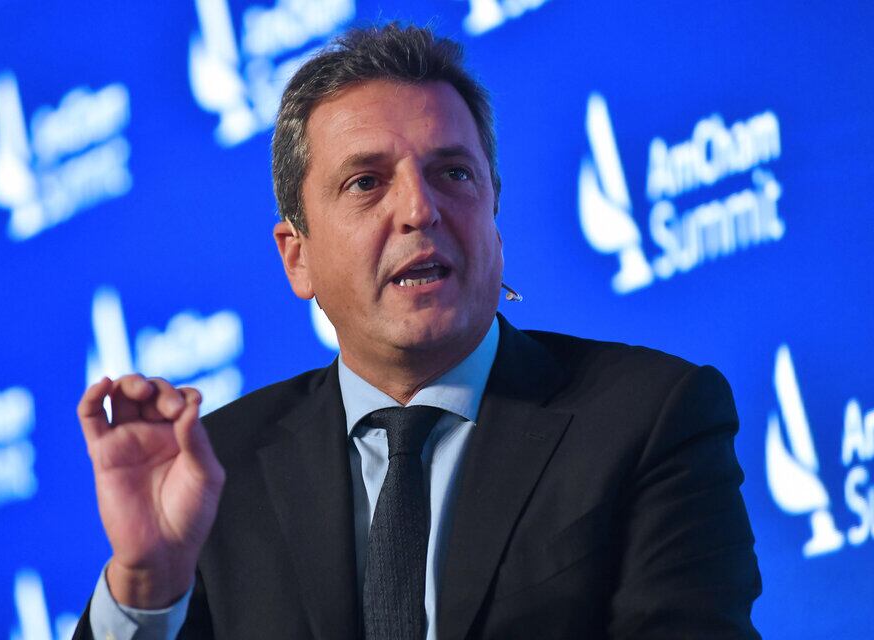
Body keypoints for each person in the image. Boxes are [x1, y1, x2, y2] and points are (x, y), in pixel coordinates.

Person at [74, 24, 761, 639]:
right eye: (366, 182)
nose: (419, 209)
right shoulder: (220, 474)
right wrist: (146, 587)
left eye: (452, 173)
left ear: (494, 215)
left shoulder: (648, 418)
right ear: (297, 256)